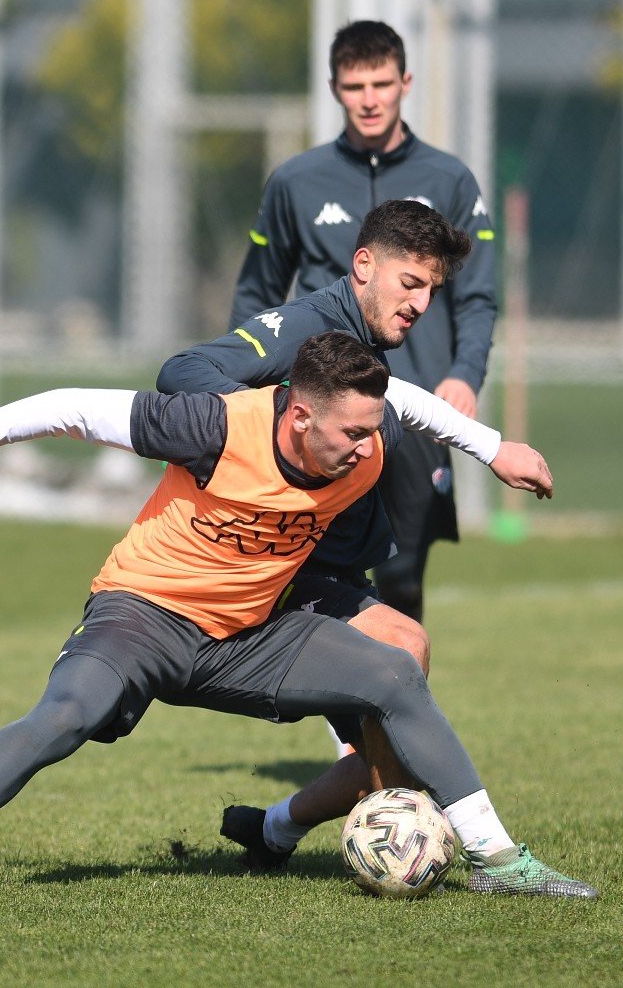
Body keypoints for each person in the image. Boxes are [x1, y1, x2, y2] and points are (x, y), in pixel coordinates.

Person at [0, 332, 595, 899]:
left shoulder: (360, 427)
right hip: (143, 616)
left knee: (396, 673)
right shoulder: (210, 428)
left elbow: (405, 400)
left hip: (250, 636)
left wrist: (496, 450)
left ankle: (496, 858)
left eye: (375, 430)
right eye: (354, 434)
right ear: (300, 416)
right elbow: (68, 407)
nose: (371, 447)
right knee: (67, 714)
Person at [160, 199, 500, 865]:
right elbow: (184, 372)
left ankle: (273, 830)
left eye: (432, 289)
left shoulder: (363, 346)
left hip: (340, 574)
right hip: (288, 572)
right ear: (364, 265)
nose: (422, 303)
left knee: (389, 755)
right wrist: (276, 435)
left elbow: (403, 402)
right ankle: (486, 856)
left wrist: (493, 448)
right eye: (411, 283)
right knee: (405, 657)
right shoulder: (308, 326)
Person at [229, 19, 496, 625]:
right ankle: (339, 709)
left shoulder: (449, 180)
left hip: (417, 407)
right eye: (355, 86)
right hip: (323, 406)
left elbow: (478, 296)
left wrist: (464, 374)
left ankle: (389, 709)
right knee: (314, 570)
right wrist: (250, 385)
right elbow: (259, 293)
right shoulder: (295, 182)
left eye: (381, 82)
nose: (370, 99)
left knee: (402, 572)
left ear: (405, 82)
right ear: (335, 89)